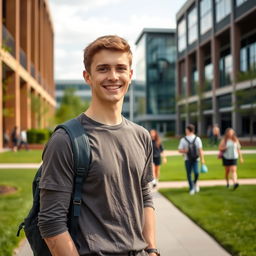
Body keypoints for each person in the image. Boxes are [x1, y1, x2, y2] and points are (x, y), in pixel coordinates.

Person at [38, 35, 159, 256]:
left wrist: (151, 249)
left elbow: (145, 196)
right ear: (88, 77)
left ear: (130, 75)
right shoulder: (66, 140)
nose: (113, 76)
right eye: (103, 69)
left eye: (121, 68)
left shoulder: (142, 136)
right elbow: (50, 223)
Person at [178, 124, 205, 195]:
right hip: (187, 159)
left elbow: (200, 150)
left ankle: (195, 183)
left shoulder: (197, 139)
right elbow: (179, 150)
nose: (185, 131)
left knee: (196, 173)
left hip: (196, 159)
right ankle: (191, 188)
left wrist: (202, 160)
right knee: (189, 174)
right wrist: (185, 151)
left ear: (189, 130)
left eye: (186, 129)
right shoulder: (183, 139)